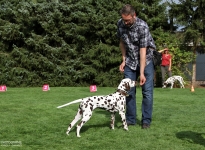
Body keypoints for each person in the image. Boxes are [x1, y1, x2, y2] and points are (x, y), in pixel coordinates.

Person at [117, 4, 156, 129]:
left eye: (128, 20)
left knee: (147, 92)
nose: (125, 22)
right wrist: (124, 60)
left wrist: (142, 73)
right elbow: (122, 43)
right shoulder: (120, 24)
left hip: (146, 60)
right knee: (129, 91)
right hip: (130, 61)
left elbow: (143, 51)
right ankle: (130, 119)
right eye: (124, 20)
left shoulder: (142, 26)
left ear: (134, 15)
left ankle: (146, 121)